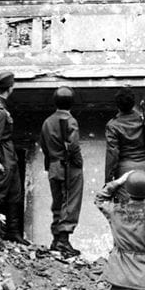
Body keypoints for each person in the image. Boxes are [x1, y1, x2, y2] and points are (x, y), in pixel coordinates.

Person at [0, 71, 28, 247]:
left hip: (9, 153)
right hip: (2, 153)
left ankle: (13, 232)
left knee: (15, 192)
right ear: (10, 88)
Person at [40, 86, 83, 257]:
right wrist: (78, 163)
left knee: (58, 202)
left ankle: (56, 239)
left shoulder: (47, 122)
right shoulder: (70, 120)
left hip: (54, 165)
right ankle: (63, 241)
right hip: (68, 166)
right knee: (70, 201)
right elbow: (73, 146)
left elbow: (43, 144)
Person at [105, 87, 145, 192]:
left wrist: (108, 181)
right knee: (144, 205)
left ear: (117, 105)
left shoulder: (113, 125)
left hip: (123, 171)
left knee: (125, 207)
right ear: (133, 103)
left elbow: (112, 154)